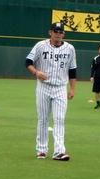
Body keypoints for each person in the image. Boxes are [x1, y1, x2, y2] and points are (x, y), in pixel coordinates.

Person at [25, 22, 77, 161]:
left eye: (60, 32)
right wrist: (36, 72)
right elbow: (28, 62)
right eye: (56, 31)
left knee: (59, 119)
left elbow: (72, 70)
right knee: (43, 119)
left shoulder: (70, 48)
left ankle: (59, 152)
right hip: (43, 87)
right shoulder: (41, 46)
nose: (58, 34)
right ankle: (41, 150)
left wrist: (72, 89)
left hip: (60, 88)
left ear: (63, 34)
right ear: (50, 32)